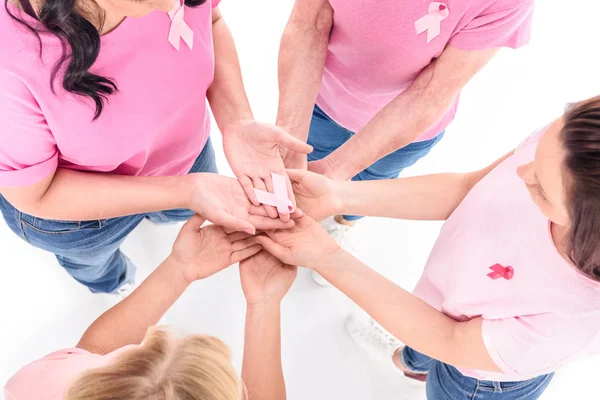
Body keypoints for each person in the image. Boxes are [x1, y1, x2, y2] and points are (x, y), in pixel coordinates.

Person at [256, 97, 600, 399]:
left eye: (540, 189)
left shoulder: (573, 321)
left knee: (441, 373)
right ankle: (411, 363)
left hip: (477, 382)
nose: (521, 172)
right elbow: (470, 188)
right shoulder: (572, 147)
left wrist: (328, 257)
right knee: (418, 346)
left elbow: (450, 339)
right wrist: (337, 196)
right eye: (535, 157)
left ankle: (415, 363)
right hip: (442, 307)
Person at [0, 0, 309, 295]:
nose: (170, 6)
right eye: (142, 1)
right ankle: (112, 282)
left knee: (178, 213)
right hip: (80, 215)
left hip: (185, 157)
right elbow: (35, 195)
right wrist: (186, 190)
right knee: (95, 266)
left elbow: (212, 21)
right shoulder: (11, 63)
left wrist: (236, 122)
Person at [275, 0, 536, 270]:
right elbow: (309, 23)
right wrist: (287, 143)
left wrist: (336, 169)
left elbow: (433, 90)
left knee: (368, 184)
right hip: (322, 101)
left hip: (405, 132)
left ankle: (345, 223)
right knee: (304, 164)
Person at [4, 214, 297, 400]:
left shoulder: (41, 387)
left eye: (136, 352)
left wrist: (180, 269)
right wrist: (263, 303)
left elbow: (96, 349)